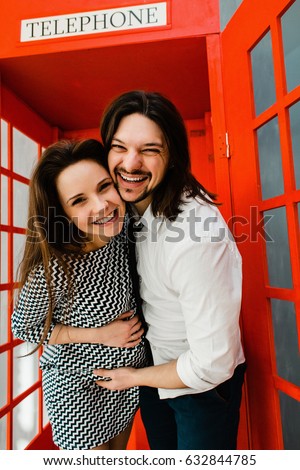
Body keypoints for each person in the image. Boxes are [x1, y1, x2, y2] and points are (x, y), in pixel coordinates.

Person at [94, 90, 246, 450]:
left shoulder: (196, 234)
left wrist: (134, 377)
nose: (131, 164)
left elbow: (213, 364)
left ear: (172, 156)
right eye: (119, 147)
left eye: (149, 150)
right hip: (153, 373)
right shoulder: (128, 207)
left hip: (201, 388)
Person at [11, 138, 150, 450]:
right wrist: (100, 334)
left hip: (125, 380)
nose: (101, 206)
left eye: (104, 187)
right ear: (62, 212)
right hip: (75, 388)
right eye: (79, 201)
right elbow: (25, 328)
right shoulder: (58, 266)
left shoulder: (123, 225)